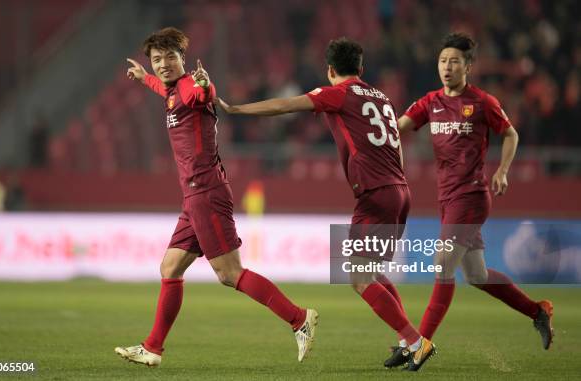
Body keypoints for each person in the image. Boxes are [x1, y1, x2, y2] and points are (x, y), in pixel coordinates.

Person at [218, 37, 435, 372]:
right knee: (371, 271)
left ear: (330, 69)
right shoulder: (383, 98)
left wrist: (237, 109)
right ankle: (408, 342)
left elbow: (284, 106)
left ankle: (416, 341)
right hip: (399, 189)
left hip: (375, 194)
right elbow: (397, 146)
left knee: (358, 276)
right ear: (361, 68)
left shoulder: (336, 93)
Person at [115, 27, 317, 367]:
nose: (163, 65)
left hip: (205, 192)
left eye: (170, 58)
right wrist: (142, 77)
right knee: (170, 267)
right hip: (194, 195)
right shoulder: (170, 89)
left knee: (229, 274)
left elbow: (202, 94)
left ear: (183, 59)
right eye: (156, 60)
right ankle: (153, 347)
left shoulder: (191, 87)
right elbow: (163, 88)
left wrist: (206, 85)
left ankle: (299, 318)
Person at [389, 32, 554, 367]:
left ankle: (419, 344)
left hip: (472, 195)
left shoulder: (481, 102)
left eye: (454, 61)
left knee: (442, 265)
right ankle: (537, 311)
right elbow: (397, 127)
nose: (447, 67)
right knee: (476, 275)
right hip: (447, 198)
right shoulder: (430, 102)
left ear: (468, 66)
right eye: (443, 61)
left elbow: (510, 133)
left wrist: (503, 170)